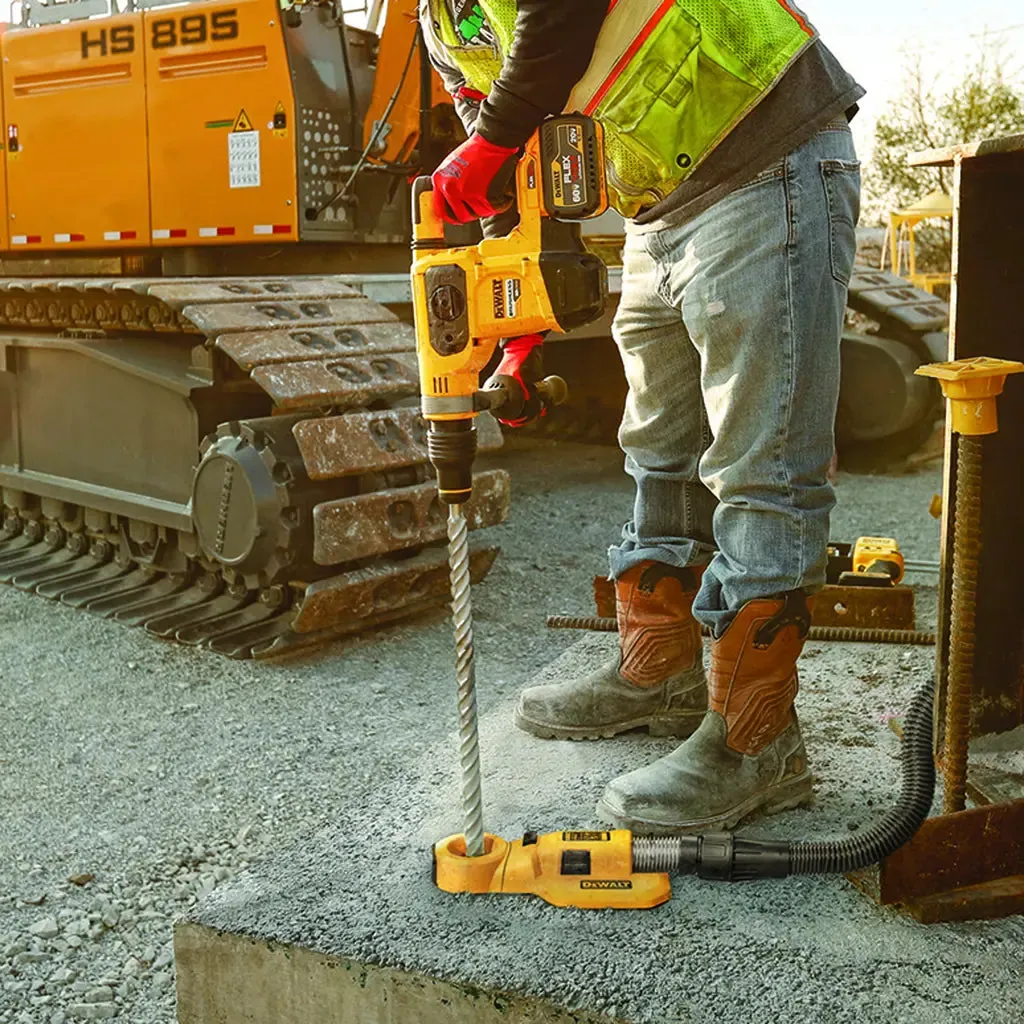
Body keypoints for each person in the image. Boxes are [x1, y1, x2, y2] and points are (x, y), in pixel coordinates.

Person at [420, 0, 864, 833]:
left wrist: (491, 139)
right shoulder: (440, 23)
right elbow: (507, 175)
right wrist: (517, 328)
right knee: (658, 444)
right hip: (657, 206)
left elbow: (558, 23)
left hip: (763, 151)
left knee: (760, 462)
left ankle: (759, 743)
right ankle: (661, 672)